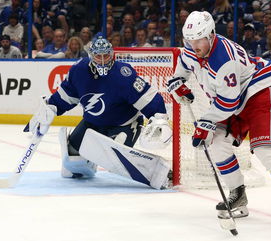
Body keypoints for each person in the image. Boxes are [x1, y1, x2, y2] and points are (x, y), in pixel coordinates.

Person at [167, 11, 271, 227]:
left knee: (266, 152)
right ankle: (237, 195)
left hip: (259, 92)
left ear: (211, 35)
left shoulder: (224, 59)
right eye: (189, 40)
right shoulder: (191, 51)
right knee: (216, 143)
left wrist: (205, 123)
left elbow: (228, 103)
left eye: (198, 40)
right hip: (232, 100)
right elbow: (181, 70)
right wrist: (176, 83)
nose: (194, 45)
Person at [26, 36, 171, 189]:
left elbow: (148, 98)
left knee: (114, 156)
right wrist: (50, 107)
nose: (102, 60)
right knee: (72, 164)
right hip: (92, 124)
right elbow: (65, 97)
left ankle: (160, 173)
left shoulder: (123, 74)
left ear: (112, 54)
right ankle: (89, 165)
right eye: (98, 56)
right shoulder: (79, 71)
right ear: (91, 56)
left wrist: (159, 118)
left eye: (106, 56)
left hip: (124, 124)